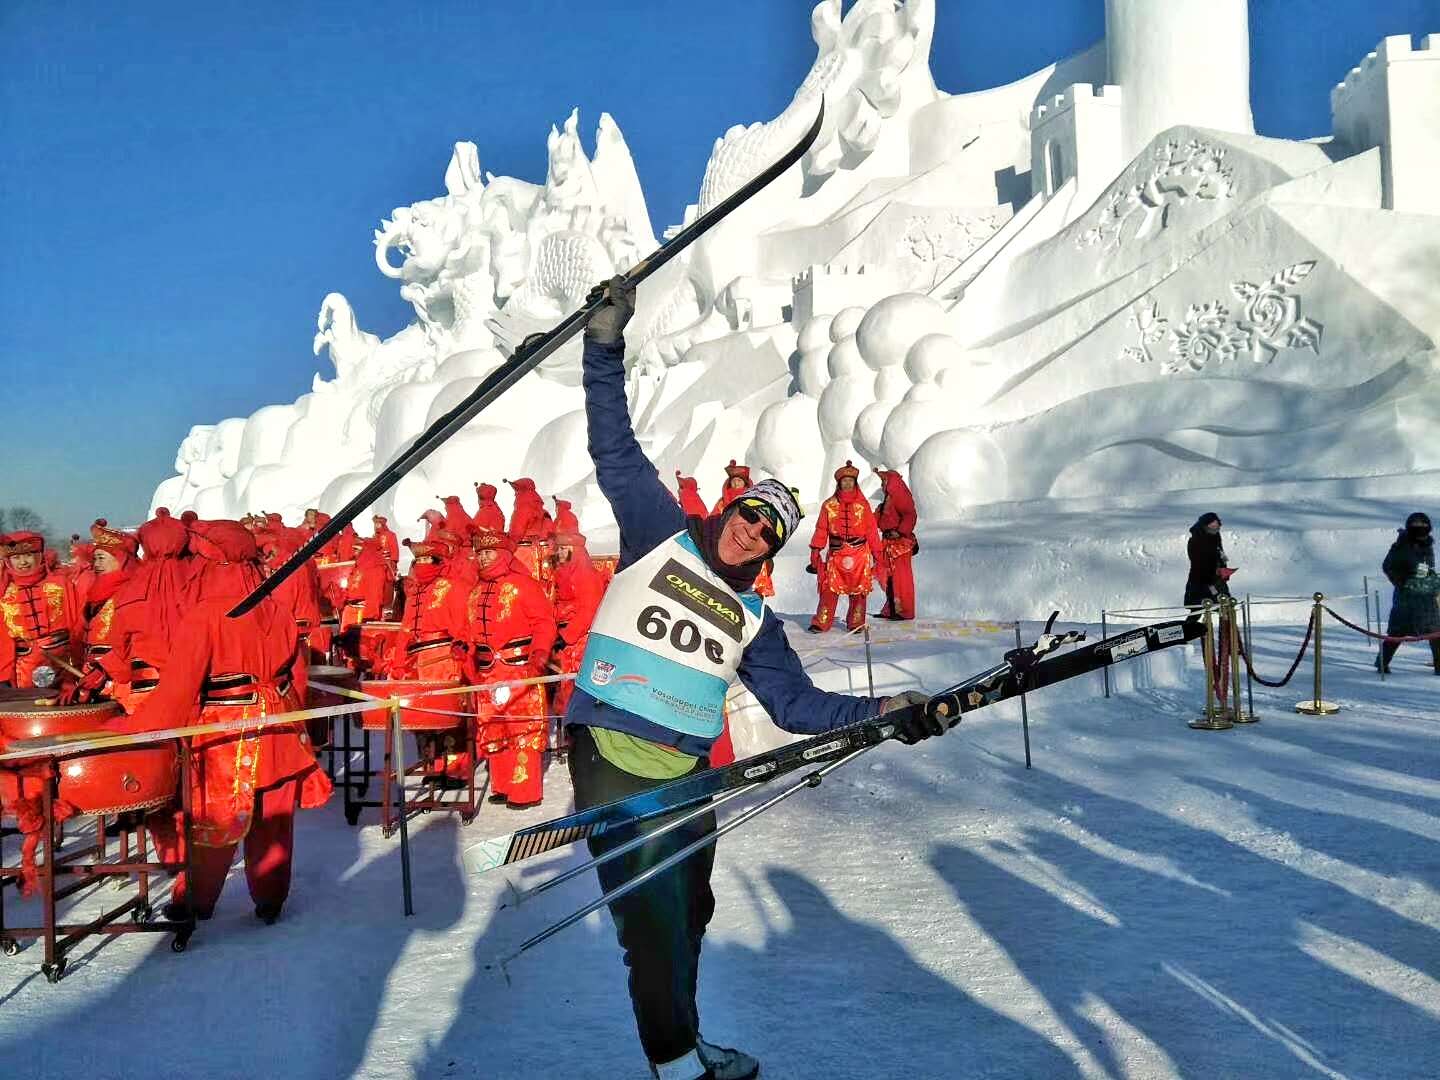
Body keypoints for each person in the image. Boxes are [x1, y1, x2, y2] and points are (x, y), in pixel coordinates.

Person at [566, 277, 940, 1080]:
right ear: (730, 507)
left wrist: (883, 709)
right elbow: (613, 445)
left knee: (692, 909)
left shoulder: (754, 620)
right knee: (651, 922)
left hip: (688, 772)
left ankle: (688, 1035)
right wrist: (604, 344)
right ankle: (674, 1066)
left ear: (770, 552)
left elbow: (795, 702)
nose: (751, 529)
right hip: (609, 749)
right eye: (749, 512)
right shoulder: (658, 531)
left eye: (767, 530)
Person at [125, 519, 332, 923]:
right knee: (273, 823)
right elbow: (297, 676)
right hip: (280, 731)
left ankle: (196, 901)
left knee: (212, 824)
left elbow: (178, 690)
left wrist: (135, 729)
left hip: (224, 735)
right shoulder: (275, 607)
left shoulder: (205, 615)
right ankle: (270, 900)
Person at [460, 529, 557, 809]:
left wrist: (539, 655)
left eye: (488, 553)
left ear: (502, 554)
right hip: (488, 671)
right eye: (480, 553)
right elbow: (469, 630)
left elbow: (544, 622)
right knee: (494, 728)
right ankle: (502, 785)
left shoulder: (524, 585)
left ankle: (525, 791)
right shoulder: (475, 591)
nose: (483, 558)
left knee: (523, 729)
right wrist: (464, 651)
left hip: (520, 669)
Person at [0, 531, 84, 689]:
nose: (23, 562)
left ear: (39, 556)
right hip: (23, 669)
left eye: (28, 555)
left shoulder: (60, 584)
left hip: (63, 662)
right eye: (16, 557)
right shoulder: (4, 592)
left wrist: (79, 661)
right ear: (8, 561)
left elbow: (77, 624)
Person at [807, 461, 883, 633]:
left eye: (851, 480)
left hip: (859, 555)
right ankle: (821, 622)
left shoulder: (863, 506)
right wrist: (815, 551)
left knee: (859, 592)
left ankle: (856, 623)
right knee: (829, 588)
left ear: (855, 483)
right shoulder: (828, 505)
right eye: (844, 480)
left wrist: (877, 554)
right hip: (836, 554)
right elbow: (821, 529)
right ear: (839, 483)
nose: (847, 483)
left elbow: (871, 531)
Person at [550, 526, 607, 717]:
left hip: (580, 641)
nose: (558, 553)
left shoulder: (586, 576)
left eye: (563, 549)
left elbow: (588, 610)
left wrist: (566, 636)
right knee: (566, 687)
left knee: (574, 687)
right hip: (569, 642)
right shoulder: (566, 574)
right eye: (558, 549)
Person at [1379, 512, 1440, 672]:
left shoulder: (1427, 545)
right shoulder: (1401, 546)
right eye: (1417, 526)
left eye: (1423, 526)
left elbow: (1427, 570)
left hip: (1427, 599)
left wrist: (1432, 581)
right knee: (1397, 633)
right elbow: (1388, 566)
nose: (1421, 530)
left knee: (1436, 632)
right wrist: (1403, 581)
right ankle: (1382, 663)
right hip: (1407, 599)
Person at [874, 468, 919, 621]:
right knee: (887, 575)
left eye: (883, 481)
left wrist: (900, 532)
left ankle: (904, 610)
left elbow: (910, 514)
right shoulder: (889, 498)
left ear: (891, 482)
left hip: (899, 543)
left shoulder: (900, 496)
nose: (882, 485)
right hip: (888, 542)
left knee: (901, 577)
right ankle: (892, 608)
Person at [1183, 512, 1234, 608]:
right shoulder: (1195, 540)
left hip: (1217, 580)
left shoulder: (1216, 537)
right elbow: (1197, 562)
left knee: (1225, 607)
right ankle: (1190, 624)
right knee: (1199, 609)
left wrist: (1224, 569)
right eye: (1212, 525)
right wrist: (1210, 575)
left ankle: (1227, 623)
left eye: (1217, 524)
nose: (1216, 527)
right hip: (1202, 580)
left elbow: (1221, 555)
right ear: (1205, 525)